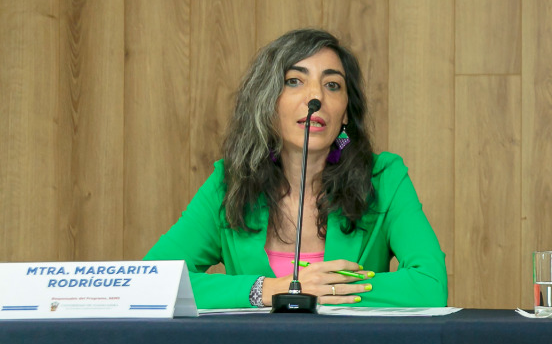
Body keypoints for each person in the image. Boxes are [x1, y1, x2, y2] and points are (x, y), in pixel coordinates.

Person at [146, 29, 448, 309]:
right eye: (294, 81)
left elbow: (430, 285)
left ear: (345, 114)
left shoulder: (383, 179)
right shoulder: (230, 183)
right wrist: (270, 290)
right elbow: (153, 283)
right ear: (268, 103)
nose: (315, 97)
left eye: (332, 85)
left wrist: (326, 289)